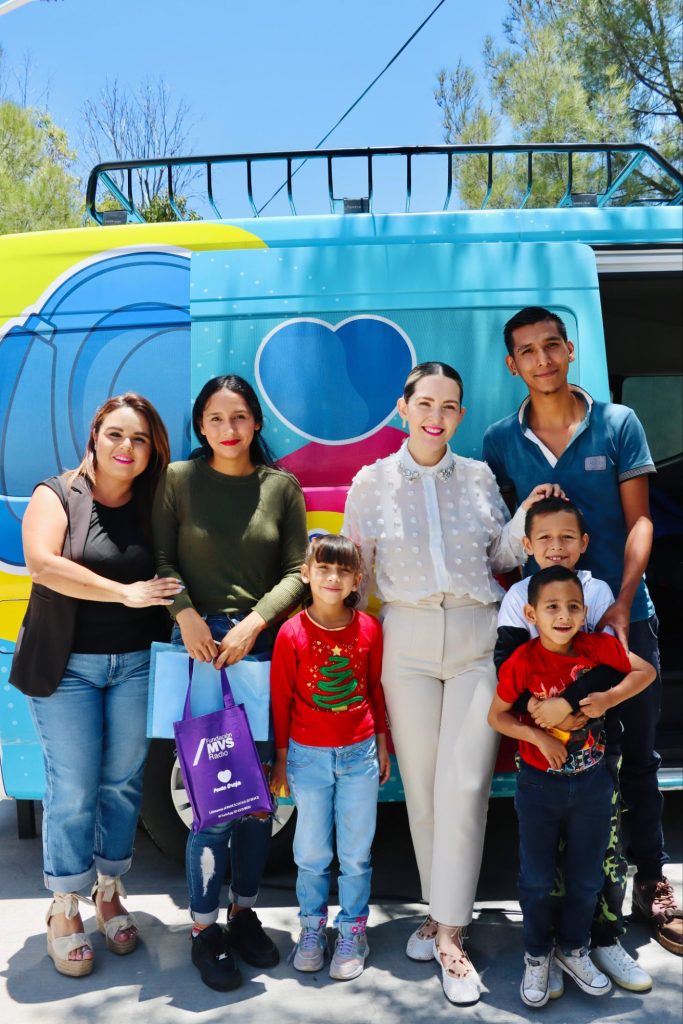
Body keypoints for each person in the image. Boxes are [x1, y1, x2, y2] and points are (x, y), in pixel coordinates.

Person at [343, 360, 561, 1005]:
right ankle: (441, 913)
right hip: (406, 639)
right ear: (403, 408)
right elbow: (358, 575)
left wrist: (525, 519)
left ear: (461, 415)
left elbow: (499, 557)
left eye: (449, 406)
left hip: (474, 636)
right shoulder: (371, 482)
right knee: (423, 792)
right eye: (425, 403)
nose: (436, 416)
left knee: (464, 785)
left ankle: (448, 935)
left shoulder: (478, 476)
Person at [483, 306, 682, 960]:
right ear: (512, 364)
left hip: (622, 617)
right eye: (527, 351)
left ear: (569, 350)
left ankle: (651, 881)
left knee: (638, 754)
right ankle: (581, 906)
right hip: (548, 634)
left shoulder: (618, 423)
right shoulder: (499, 440)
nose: (542, 360)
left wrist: (621, 604)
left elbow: (640, 521)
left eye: (551, 346)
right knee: (568, 753)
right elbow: (501, 540)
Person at [11, 393, 180, 977]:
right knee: (74, 786)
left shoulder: (155, 502)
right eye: (116, 434)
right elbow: (43, 564)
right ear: (95, 436)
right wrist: (124, 593)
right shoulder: (56, 493)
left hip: (136, 664)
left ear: (152, 450)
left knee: (122, 784)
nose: (126, 447)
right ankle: (64, 906)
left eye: (139, 439)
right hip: (68, 669)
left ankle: (108, 892)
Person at [152, 374, 308, 992]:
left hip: (262, 649)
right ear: (200, 425)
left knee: (257, 801)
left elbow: (297, 573)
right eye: (215, 419)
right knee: (212, 807)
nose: (228, 429)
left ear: (256, 422)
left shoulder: (281, 487)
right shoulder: (178, 480)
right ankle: (203, 930)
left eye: (239, 417)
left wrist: (255, 623)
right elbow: (162, 562)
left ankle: (243, 915)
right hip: (199, 651)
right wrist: (186, 615)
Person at [495, 495, 653, 992]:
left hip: (596, 747)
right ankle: (549, 951)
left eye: (567, 537)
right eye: (544, 538)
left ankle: (602, 939)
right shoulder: (517, 597)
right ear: (527, 545)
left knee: (602, 854)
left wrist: (570, 703)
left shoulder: (596, 590)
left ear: (584, 543)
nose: (556, 547)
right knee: (544, 866)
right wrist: (541, 720)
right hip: (541, 756)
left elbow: (611, 662)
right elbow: (507, 668)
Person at [269, 535, 390, 981]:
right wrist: (281, 760)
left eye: (343, 570)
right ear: (306, 574)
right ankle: (311, 928)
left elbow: (375, 689)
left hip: (359, 753)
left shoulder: (370, 628)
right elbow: (281, 699)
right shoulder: (291, 632)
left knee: (356, 852)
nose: (333, 577)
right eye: (323, 568)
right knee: (311, 851)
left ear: (357, 579)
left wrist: (382, 743)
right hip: (308, 757)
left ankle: (353, 929)